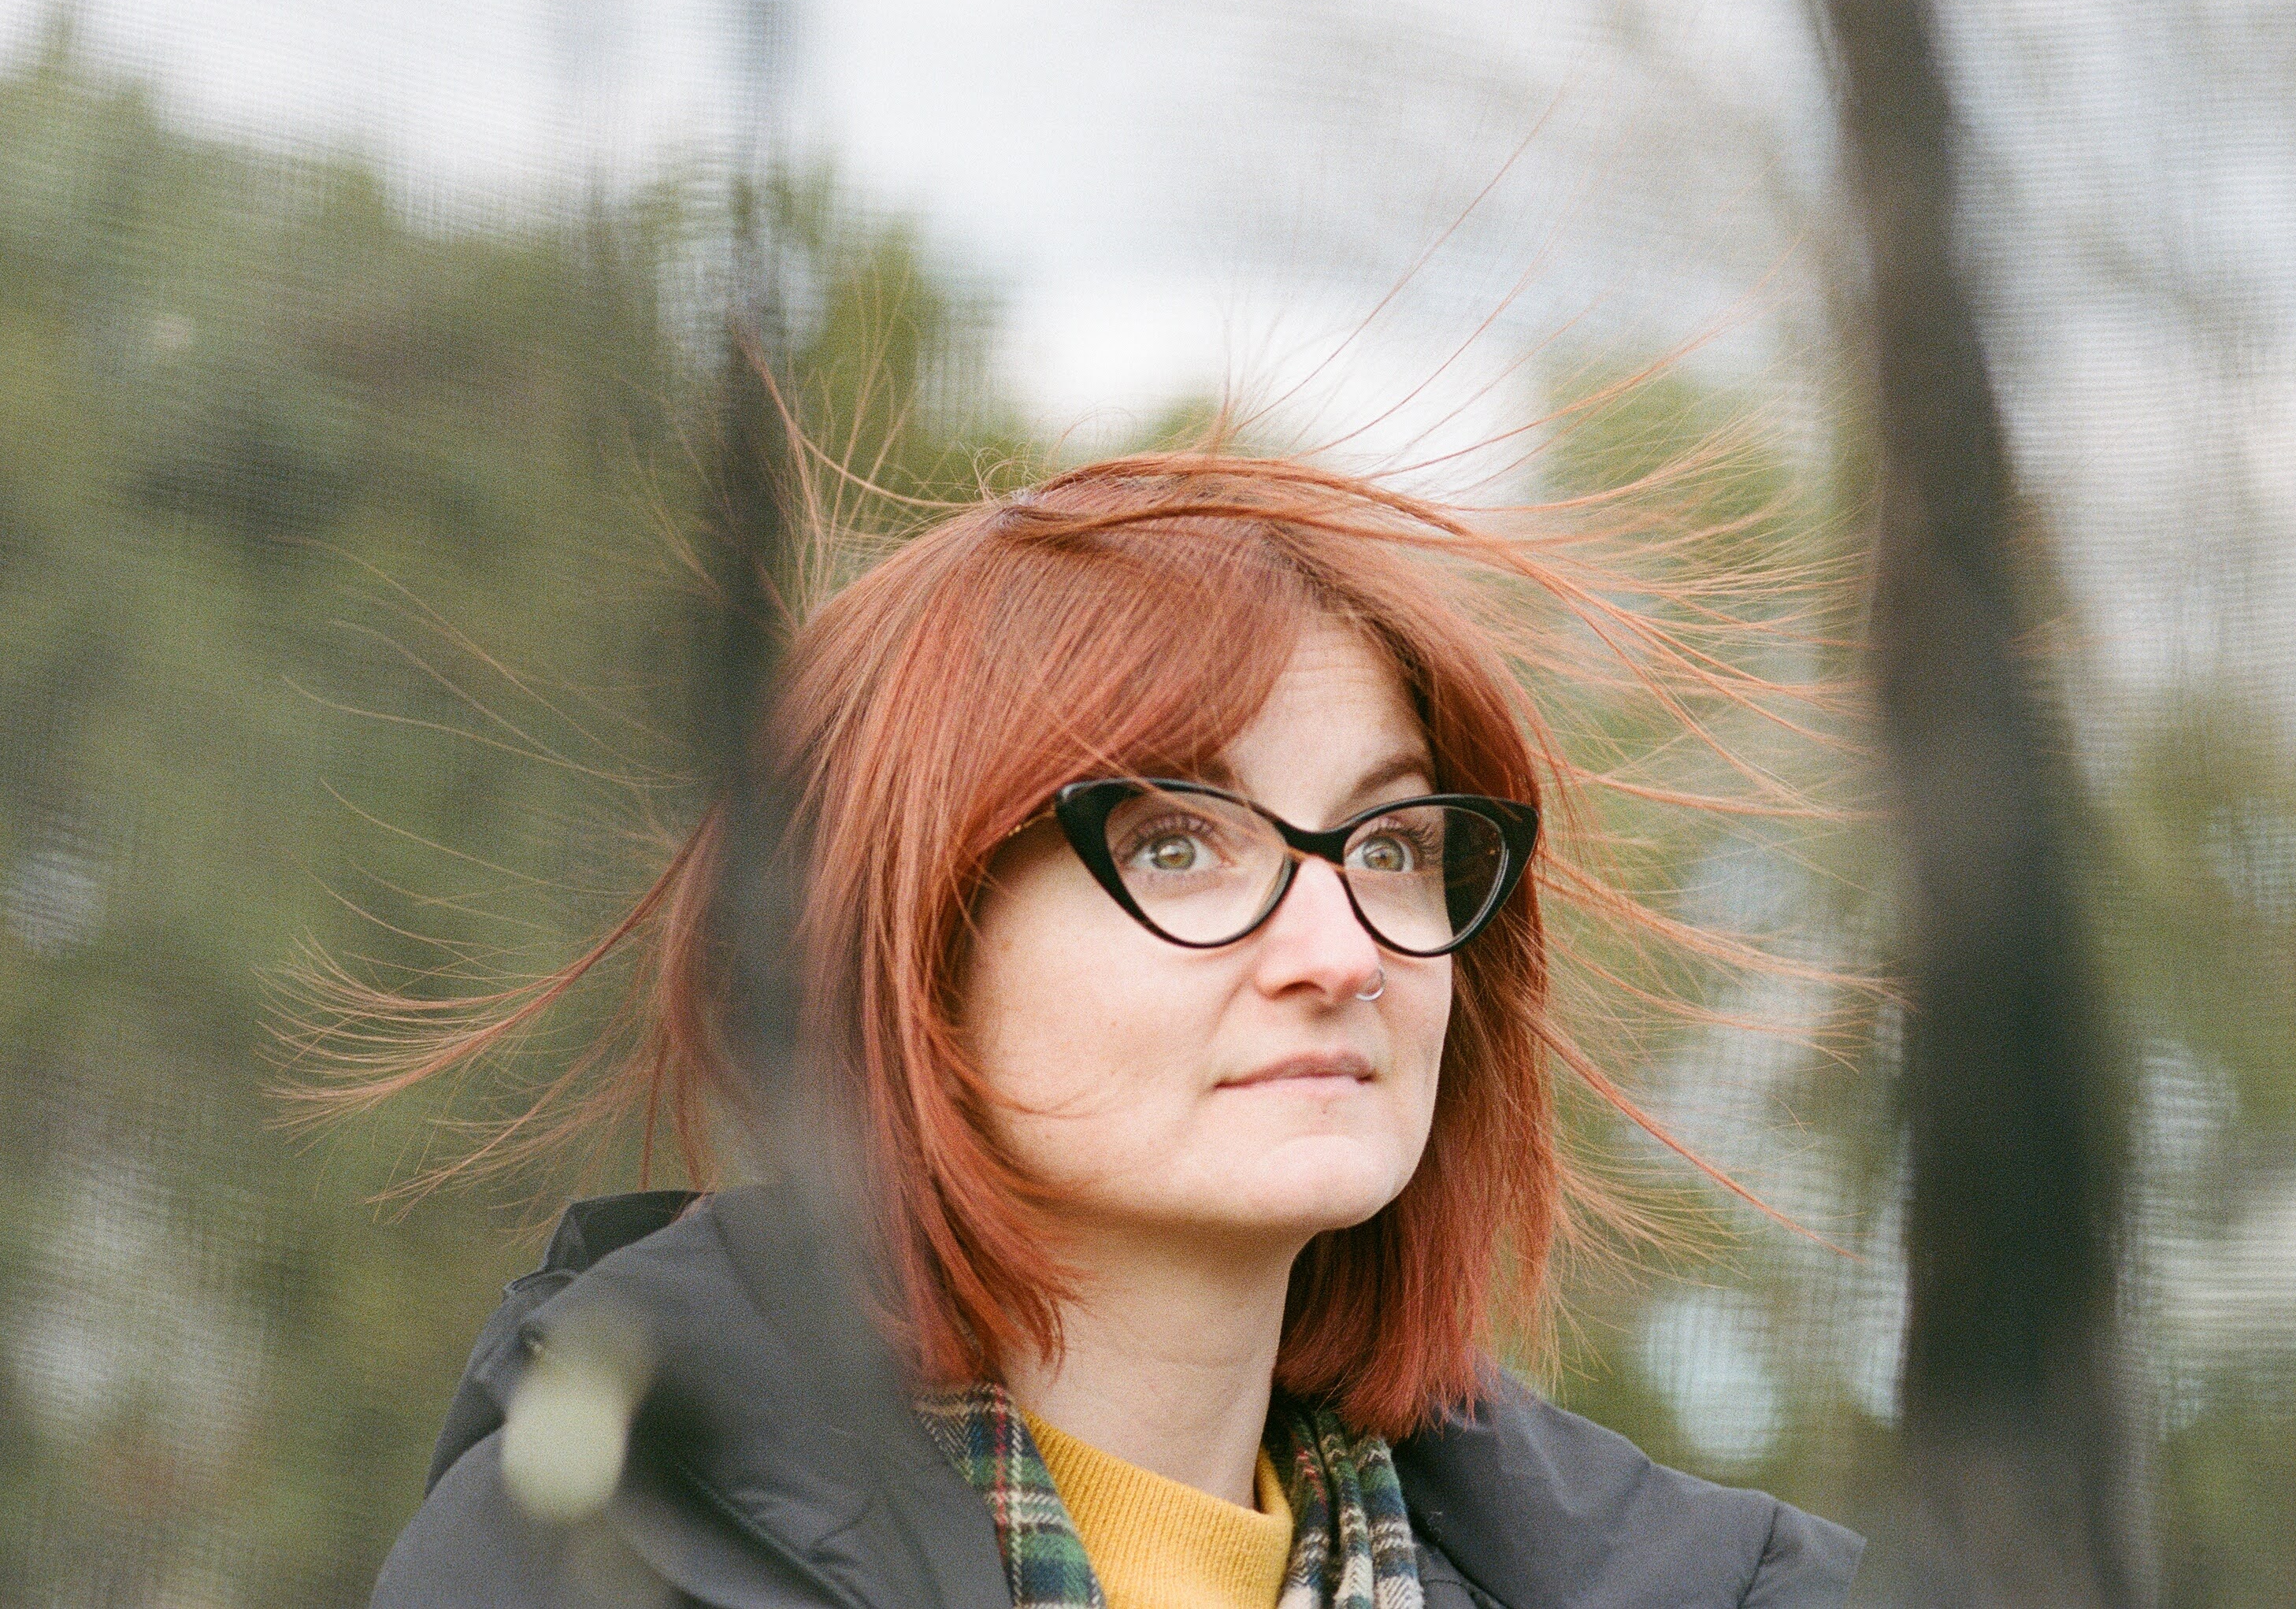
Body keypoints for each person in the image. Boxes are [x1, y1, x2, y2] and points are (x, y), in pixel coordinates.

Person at [337, 449, 1864, 1607]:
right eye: (1176, 844)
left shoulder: (1710, 1582)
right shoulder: (578, 1560)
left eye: (1392, 844)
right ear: (909, 947)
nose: (1341, 953)